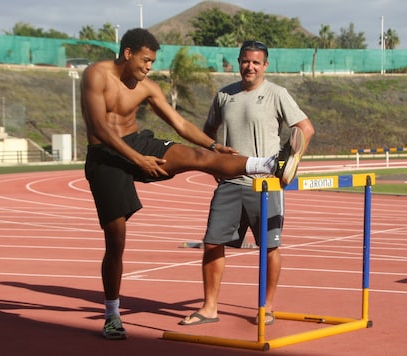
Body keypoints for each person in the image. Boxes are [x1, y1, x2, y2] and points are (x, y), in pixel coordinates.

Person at [81, 29, 303, 340]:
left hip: (135, 142)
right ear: (128, 53)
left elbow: (182, 125)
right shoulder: (95, 75)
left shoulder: (147, 87)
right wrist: (139, 161)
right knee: (116, 241)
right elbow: (101, 129)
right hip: (106, 157)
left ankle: (270, 163)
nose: (149, 67)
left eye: (153, 62)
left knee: (200, 156)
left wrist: (213, 147)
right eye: (145, 60)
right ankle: (112, 314)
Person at [180, 40, 315, 326]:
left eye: (256, 62)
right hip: (230, 182)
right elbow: (208, 132)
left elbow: (305, 128)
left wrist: (291, 163)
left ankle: (267, 307)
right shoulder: (224, 95)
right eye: (245, 61)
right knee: (212, 242)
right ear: (238, 61)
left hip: (266, 185)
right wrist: (214, 152)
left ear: (265, 65)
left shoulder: (277, 94)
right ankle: (209, 308)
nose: (249, 66)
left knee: (270, 246)